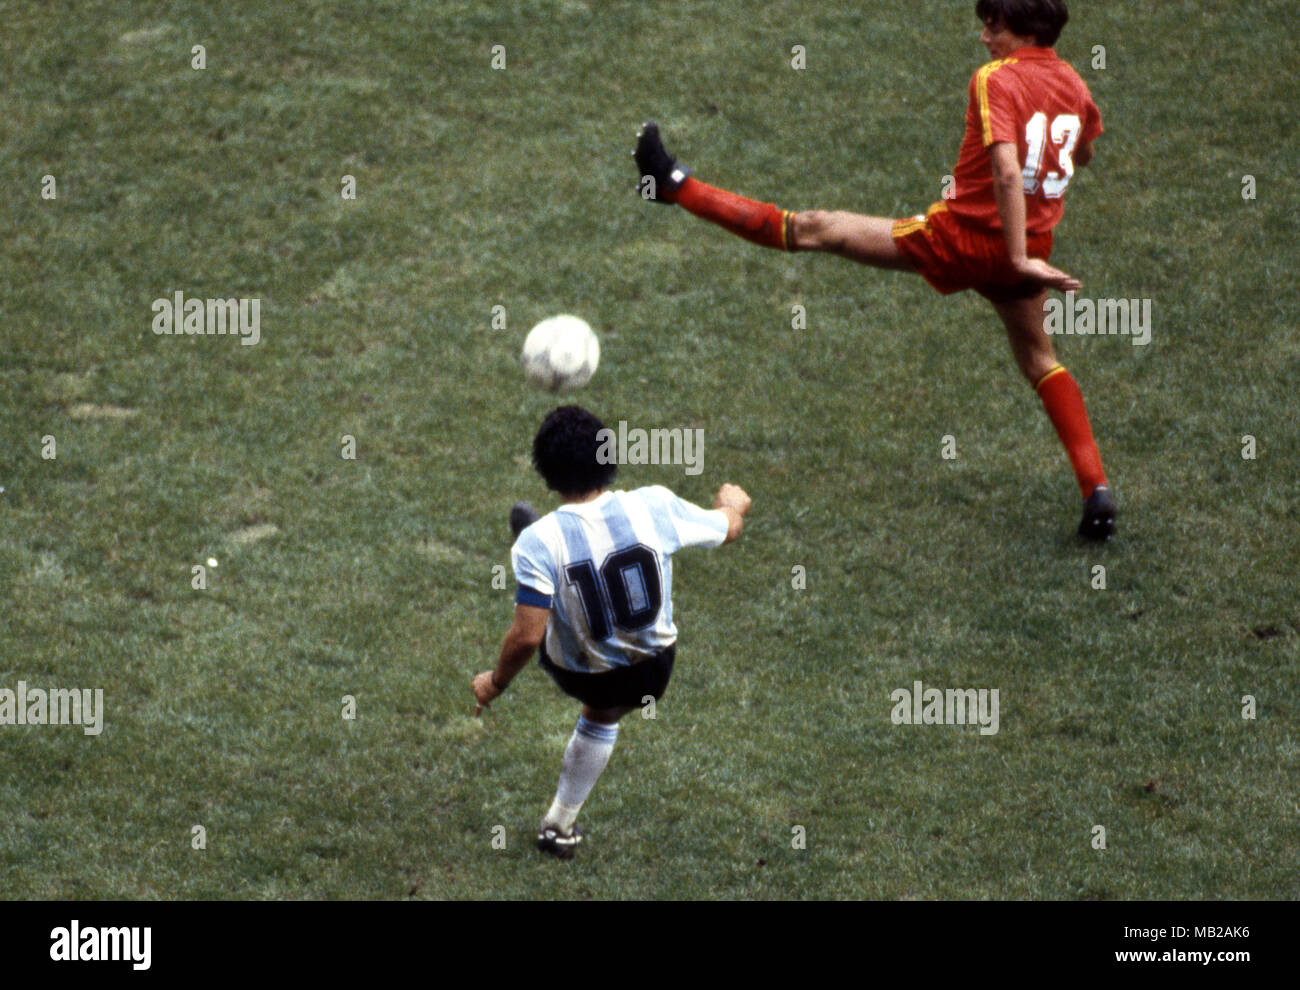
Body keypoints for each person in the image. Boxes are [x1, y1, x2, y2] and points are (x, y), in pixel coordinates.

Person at [634, 0, 1116, 539]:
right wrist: (1025, 249)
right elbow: (1085, 152)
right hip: (1030, 248)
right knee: (1040, 360)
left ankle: (673, 185)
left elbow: (1006, 171)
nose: (984, 39)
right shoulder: (1074, 85)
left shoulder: (994, 80)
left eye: (993, 27)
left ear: (1025, 29)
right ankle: (1095, 488)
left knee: (818, 228)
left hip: (967, 241)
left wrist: (1013, 247)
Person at [471, 405, 751, 859]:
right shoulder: (653, 505)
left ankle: (543, 562)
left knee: (549, 594)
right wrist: (730, 504)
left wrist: (494, 682)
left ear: (546, 474)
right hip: (656, 669)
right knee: (604, 712)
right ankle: (558, 826)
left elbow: (525, 638)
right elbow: (729, 528)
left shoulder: (538, 544)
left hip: (583, 675)